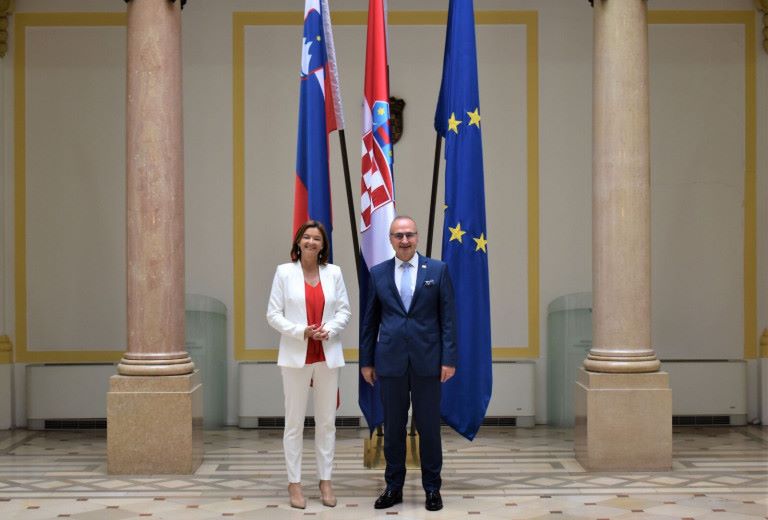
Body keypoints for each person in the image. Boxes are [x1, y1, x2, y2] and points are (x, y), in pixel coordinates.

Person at [360, 215, 456, 512]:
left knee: (429, 429)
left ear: (417, 237)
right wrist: (366, 361)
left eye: (409, 235)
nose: (404, 240)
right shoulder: (378, 273)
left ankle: (432, 488)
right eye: (398, 235)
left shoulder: (437, 270)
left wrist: (449, 359)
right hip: (390, 363)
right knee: (393, 429)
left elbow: (448, 320)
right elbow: (369, 321)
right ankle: (394, 487)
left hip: (428, 362)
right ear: (390, 240)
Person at [266, 220, 351, 509]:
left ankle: (325, 481)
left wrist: (330, 329)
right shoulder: (284, 272)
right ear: (299, 242)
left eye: (317, 238)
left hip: (327, 355)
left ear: (323, 245)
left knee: (326, 423)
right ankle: (295, 483)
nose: (311, 242)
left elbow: (344, 311)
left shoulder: (334, 273)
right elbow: (273, 314)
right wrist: (301, 331)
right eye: (307, 237)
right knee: (294, 423)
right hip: (295, 356)